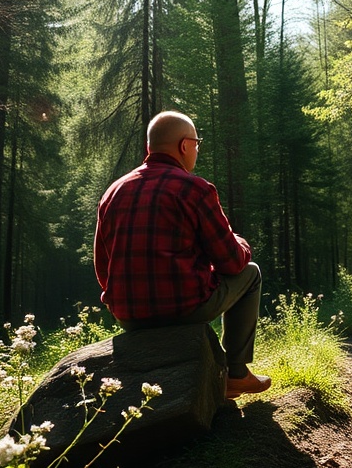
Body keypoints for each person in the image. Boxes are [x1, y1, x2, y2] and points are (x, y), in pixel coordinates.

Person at [93, 111, 271, 399]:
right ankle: (236, 374)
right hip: (184, 309)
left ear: (150, 147)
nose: (197, 150)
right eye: (197, 144)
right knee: (251, 273)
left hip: (128, 316)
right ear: (184, 145)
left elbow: (103, 267)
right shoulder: (194, 188)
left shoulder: (113, 192)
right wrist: (241, 242)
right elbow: (231, 262)